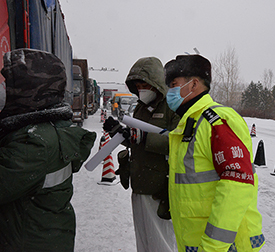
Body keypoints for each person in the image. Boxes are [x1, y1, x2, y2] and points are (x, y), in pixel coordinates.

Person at [164, 54, 265, 252]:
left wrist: (213, 247)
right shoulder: (190, 123)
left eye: (174, 84)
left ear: (193, 85)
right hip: (198, 242)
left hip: (223, 246)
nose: (170, 92)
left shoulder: (216, 121)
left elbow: (236, 185)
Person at [0, 49, 96, 252]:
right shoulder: (51, 129)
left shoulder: (34, 143)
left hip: (26, 243)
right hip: (47, 237)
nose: (3, 90)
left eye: (8, 85)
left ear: (28, 92)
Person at [103, 57, 180, 252]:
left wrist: (144, 137)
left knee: (160, 242)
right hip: (139, 182)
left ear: (156, 84)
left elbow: (180, 143)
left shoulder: (173, 108)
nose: (141, 89)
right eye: (137, 85)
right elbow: (136, 141)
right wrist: (119, 132)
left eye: (145, 84)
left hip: (159, 187)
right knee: (144, 241)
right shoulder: (140, 108)